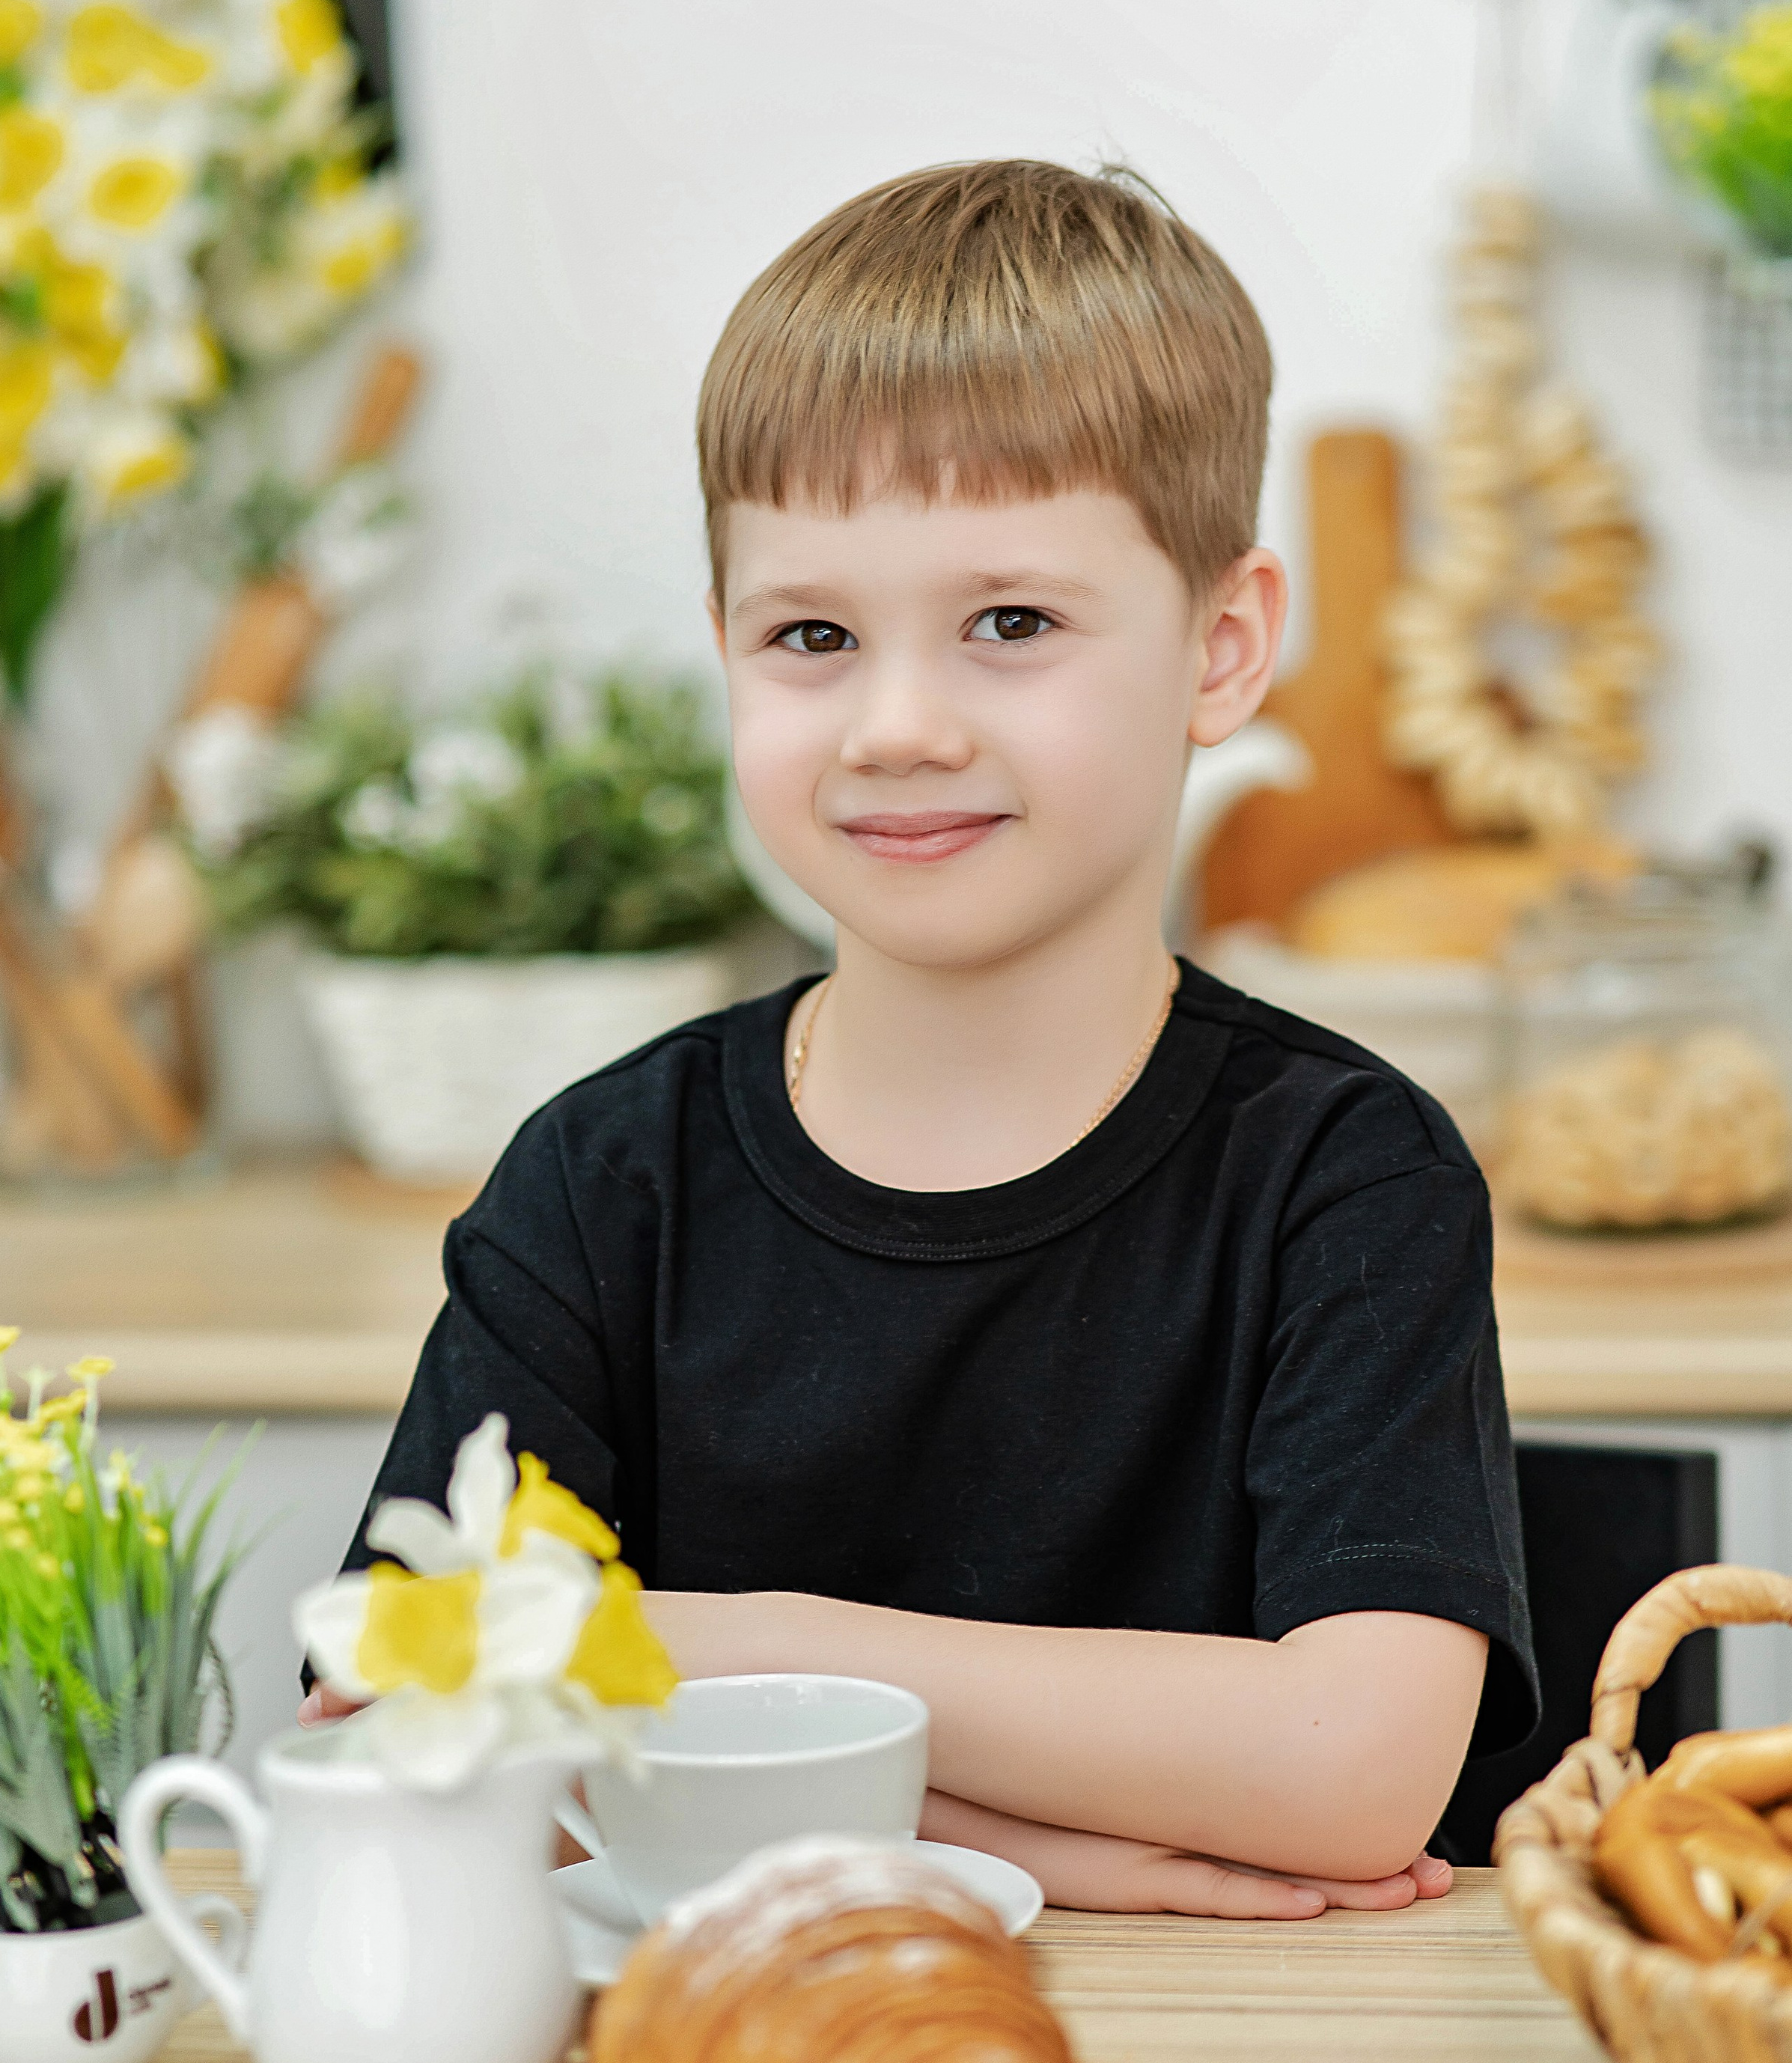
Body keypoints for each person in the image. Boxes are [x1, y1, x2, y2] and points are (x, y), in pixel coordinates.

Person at [304, 159, 1535, 1915]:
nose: (893, 724)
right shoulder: (596, 1179)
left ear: (1223, 645)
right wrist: (1023, 1840)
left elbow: (1352, 1768)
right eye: (809, 633)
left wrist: (682, 1643)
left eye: (1009, 624)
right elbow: (390, 1721)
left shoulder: (1345, 1172)